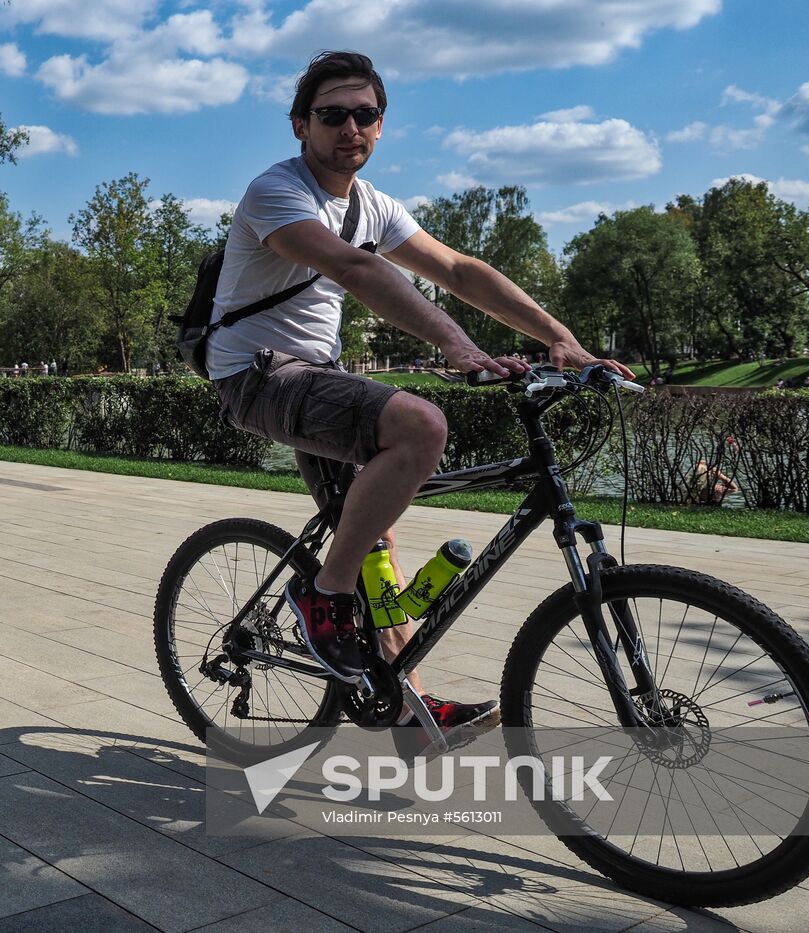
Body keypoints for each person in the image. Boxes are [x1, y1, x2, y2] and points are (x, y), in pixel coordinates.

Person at [206, 51, 632, 741]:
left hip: (319, 371)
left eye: (365, 114)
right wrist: (454, 344)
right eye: (332, 114)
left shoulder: (373, 205)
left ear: (381, 124)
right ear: (299, 125)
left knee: (377, 527)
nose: (351, 127)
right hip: (254, 373)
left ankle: (404, 704)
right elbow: (350, 266)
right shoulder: (274, 192)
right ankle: (323, 593)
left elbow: (460, 270)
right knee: (420, 427)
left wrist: (563, 339)